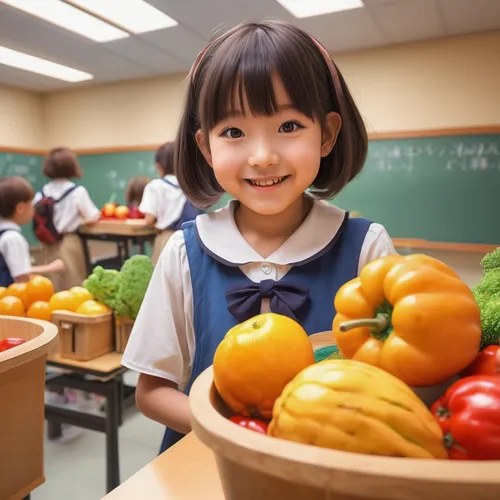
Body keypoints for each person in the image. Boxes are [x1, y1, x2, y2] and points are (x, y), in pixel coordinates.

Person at [122, 20, 397, 453]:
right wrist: (242, 440)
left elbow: (395, 382)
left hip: (327, 465)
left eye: (288, 126)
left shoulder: (367, 246)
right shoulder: (183, 252)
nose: (263, 156)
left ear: (326, 134)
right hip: (201, 462)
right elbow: (152, 392)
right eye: (234, 132)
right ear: (206, 147)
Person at [34, 147, 100, 290]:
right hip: (69, 241)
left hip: (47, 242)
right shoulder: (77, 192)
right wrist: (80, 221)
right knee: (73, 283)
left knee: (50, 284)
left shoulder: (41, 192)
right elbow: (93, 216)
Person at [139, 142, 200, 265]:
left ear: (159, 166)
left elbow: (149, 220)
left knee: (164, 280)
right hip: (194, 240)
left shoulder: (155, 186)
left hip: (167, 239)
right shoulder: (191, 185)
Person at [0, 176, 64, 285]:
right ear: (20, 208)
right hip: (9, 298)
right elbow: (20, 275)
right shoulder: (13, 238)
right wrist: (51, 267)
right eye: (31, 204)